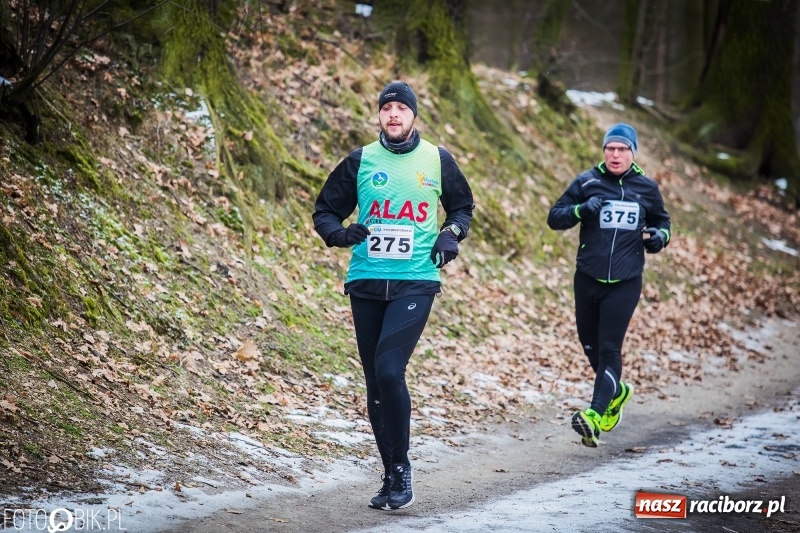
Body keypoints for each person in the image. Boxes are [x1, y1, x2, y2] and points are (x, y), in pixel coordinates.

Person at [312, 81, 474, 509]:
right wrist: (340, 234)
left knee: (388, 370)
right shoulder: (360, 160)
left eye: (402, 108)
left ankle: (401, 470)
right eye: (387, 108)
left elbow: (462, 208)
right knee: (375, 385)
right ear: (379, 116)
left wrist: (450, 234)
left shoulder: (437, 160)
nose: (394, 114)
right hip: (366, 280)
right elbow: (324, 210)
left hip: (416, 281)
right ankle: (390, 476)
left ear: (414, 115)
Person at [546, 123, 671, 447]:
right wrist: (580, 209)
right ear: (604, 151)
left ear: (633, 152)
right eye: (610, 148)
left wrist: (659, 238)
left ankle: (594, 414)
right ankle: (617, 391)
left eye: (622, 149)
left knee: (609, 348)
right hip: (588, 278)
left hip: (625, 281)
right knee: (591, 348)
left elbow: (662, 222)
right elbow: (555, 217)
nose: (615, 154)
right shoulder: (587, 182)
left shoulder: (646, 188)